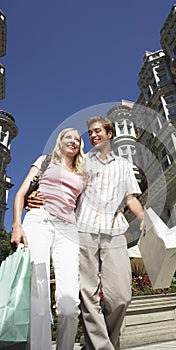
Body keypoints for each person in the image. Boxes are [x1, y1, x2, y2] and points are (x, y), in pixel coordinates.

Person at [27, 116, 144, 350]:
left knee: (121, 297)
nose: (93, 136)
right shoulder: (82, 163)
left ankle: (100, 342)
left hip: (113, 232)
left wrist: (144, 219)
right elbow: (64, 189)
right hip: (82, 230)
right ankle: (101, 347)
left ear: (110, 134)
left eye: (98, 131)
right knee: (87, 295)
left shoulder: (123, 165)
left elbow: (131, 198)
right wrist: (38, 197)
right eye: (90, 133)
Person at [11, 128, 87, 350]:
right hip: (39, 221)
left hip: (68, 230)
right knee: (38, 295)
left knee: (70, 305)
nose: (73, 141)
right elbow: (21, 193)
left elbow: (81, 209)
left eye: (77, 139)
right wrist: (17, 224)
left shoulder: (83, 175)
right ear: (60, 142)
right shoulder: (44, 162)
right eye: (68, 137)